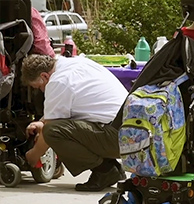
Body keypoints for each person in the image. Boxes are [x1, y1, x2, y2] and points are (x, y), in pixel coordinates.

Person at [21, 54, 128, 191]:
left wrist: (33, 156)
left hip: (117, 137)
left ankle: (104, 170)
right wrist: (41, 122)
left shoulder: (58, 81)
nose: (41, 90)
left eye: (39, 86)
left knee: (52, 132)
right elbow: (62, 110)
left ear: (44, 76)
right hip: (126, 130)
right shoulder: (74, 63)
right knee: (55, 127)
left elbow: (50, 129)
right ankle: (111, 168)